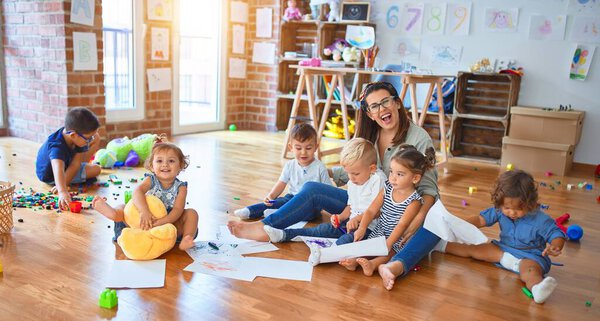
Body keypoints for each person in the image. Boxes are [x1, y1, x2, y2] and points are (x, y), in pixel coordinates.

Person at [228, 82, 440, 268]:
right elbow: (355, 170)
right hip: (363, 205)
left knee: (336, 229)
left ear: (397, 103)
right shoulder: (370, 133)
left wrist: (418, 218)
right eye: (374, 106)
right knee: (312, 188)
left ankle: (281, 231)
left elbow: (429, 189)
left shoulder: (418, 138)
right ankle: (267, 227)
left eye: (386, 102)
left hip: (394, 214)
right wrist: (319, 168)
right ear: (369, 113)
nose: (382, 109)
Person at [432, 170, 565, 304]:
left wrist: (555, 246)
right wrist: (458, 225)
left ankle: (537, 289)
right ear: (500, 203)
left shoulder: (540, 219)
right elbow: (480, 219)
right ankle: (437, 245)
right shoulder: (499, 211)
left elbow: (556, 234)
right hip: (502, 249)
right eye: (507, 208)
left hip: (531, 256)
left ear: (530, 203)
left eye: (519, 208)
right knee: (472, 249)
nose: (512, 212)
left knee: (529, 271)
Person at [262, 138, 386, 245]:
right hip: (351, 225)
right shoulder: (353, 181)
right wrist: (341, 217)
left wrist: (358, 220)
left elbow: (377, 211)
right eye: (348, 173)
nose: (351, 178)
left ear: (372, 168)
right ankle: (284, 234)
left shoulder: (378, 179)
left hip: (370, 229)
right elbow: (351, 205)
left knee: (345, 241)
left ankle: (327, 253)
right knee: (322, 229)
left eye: (355, 173)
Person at [334, 145, 435, 275]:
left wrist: (388, 243)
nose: (392, 177)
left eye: (399, 174)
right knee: (367, 246)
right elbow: (371, 210)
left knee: (390, 252)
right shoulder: (387, 188)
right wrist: (362, 228)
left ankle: (372, 265)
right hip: (380, 230)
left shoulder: (414, 201)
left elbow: (402, 224)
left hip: (396, 237)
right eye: (391, 171)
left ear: (415, 178)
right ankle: (355, 262)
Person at [93, 142, 199, 250]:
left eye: (171, 161)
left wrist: (160, 222)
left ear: (180, 165)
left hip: (167, 224)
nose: (165, 165)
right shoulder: (150, 180)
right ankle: (113, 213)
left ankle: (187, 237)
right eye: (159, 161)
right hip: (143, 220)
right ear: (152, 166)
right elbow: (137, 192)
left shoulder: (181, 187)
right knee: (123, 208)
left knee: (192, 213)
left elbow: (177, 210)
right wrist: (144, 212)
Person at [234, 123, 332, 220]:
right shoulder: (290, 165)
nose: (303, 152)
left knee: (309, 213)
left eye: (308, 148)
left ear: (316, 147)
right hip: (291, 198)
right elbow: (281, 183)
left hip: (311, 204)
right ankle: (249, 211)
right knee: (276, 203)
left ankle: (278, 214)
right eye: (298, 148)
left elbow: (329, 191)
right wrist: (271, 196)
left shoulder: (320, 167)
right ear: (291, 148)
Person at [36, 107, 102, 211]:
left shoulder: (77, 136)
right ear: (73, 135)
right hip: (52, 175)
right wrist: (62, 191)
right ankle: (59, 184)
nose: (90, 140)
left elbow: (76, 164)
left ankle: (64, 182)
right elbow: (58, 168)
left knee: (96, 166)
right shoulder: (57, 146)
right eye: (88, 138)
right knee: (95, 169)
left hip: (67, 166)